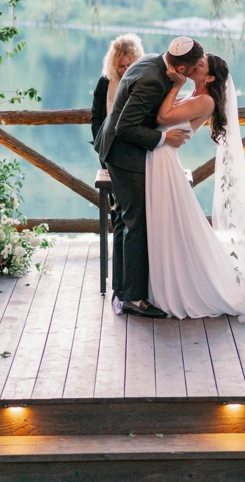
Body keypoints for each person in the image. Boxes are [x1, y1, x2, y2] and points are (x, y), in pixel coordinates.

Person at [146, 52, 245, 321]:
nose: (194, 65)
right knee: (171, 226)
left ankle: (181, 288)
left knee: (169, 225)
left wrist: (175, 85)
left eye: (200, 65)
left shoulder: (205, 100)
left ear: (209, 77)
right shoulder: (194, 95)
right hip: (160, 157)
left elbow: (163, 118)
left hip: (164, 161)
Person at [95, 36, 205, 318]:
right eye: (192, 70)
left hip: (115, 150)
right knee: (136, 223)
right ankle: (133, 298)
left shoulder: (152, 60)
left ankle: (121, 290)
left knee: (123, 219)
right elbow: (125, 128)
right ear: (181, 68)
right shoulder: (154, 80)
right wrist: (164, 137)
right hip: (124, 155)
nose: (193, 75)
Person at [92, 34, 144, 143]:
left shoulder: (143, 82)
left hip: (134, 145)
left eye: (129, 65)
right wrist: (100, 142)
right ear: (114, 65)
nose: (126, 70)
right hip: (107, 143)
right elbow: (96, 118)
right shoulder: (104, 82)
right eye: (121, 66)